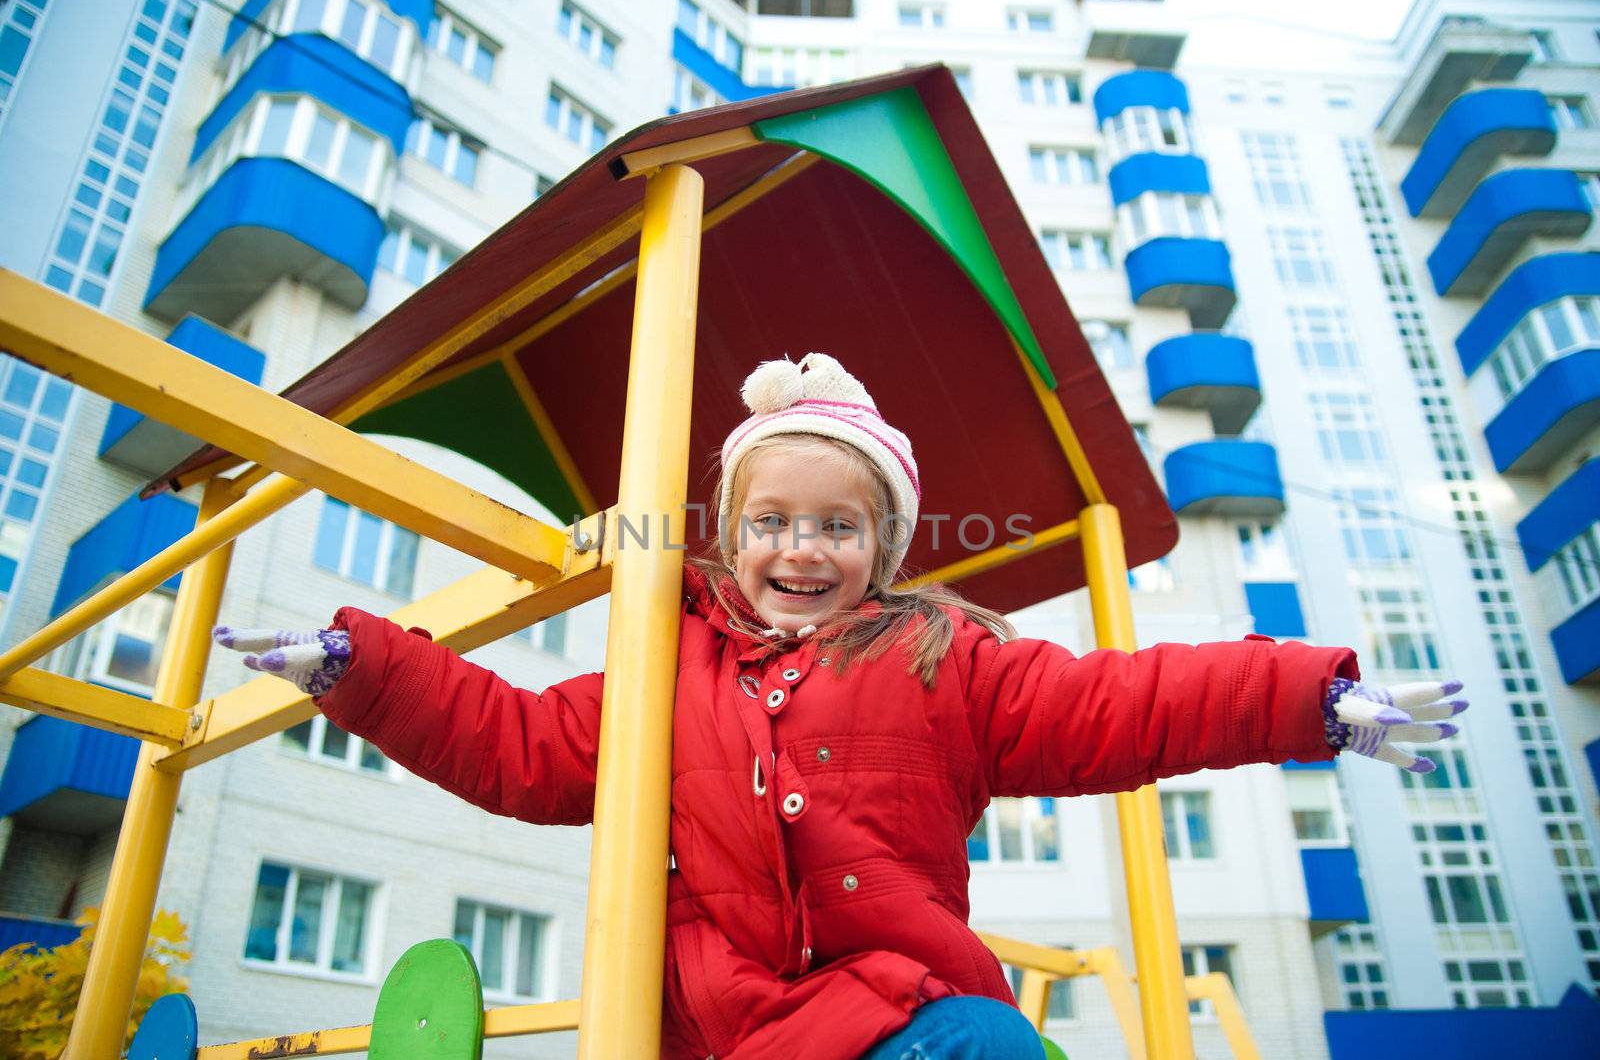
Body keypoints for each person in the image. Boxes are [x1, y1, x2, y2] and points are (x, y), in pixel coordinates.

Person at [215, 353, 1467, 1060]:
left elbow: (1127, 704)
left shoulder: (944, 662)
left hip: (893, 1020)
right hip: (726, 1032)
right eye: (771, 523)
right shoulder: (670, 672)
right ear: (727, 535)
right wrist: (358, 668)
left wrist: (1312, 697)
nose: (801, 550)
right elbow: (526, 747)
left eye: (838, 526)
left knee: (992, 1050)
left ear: (885, 544)